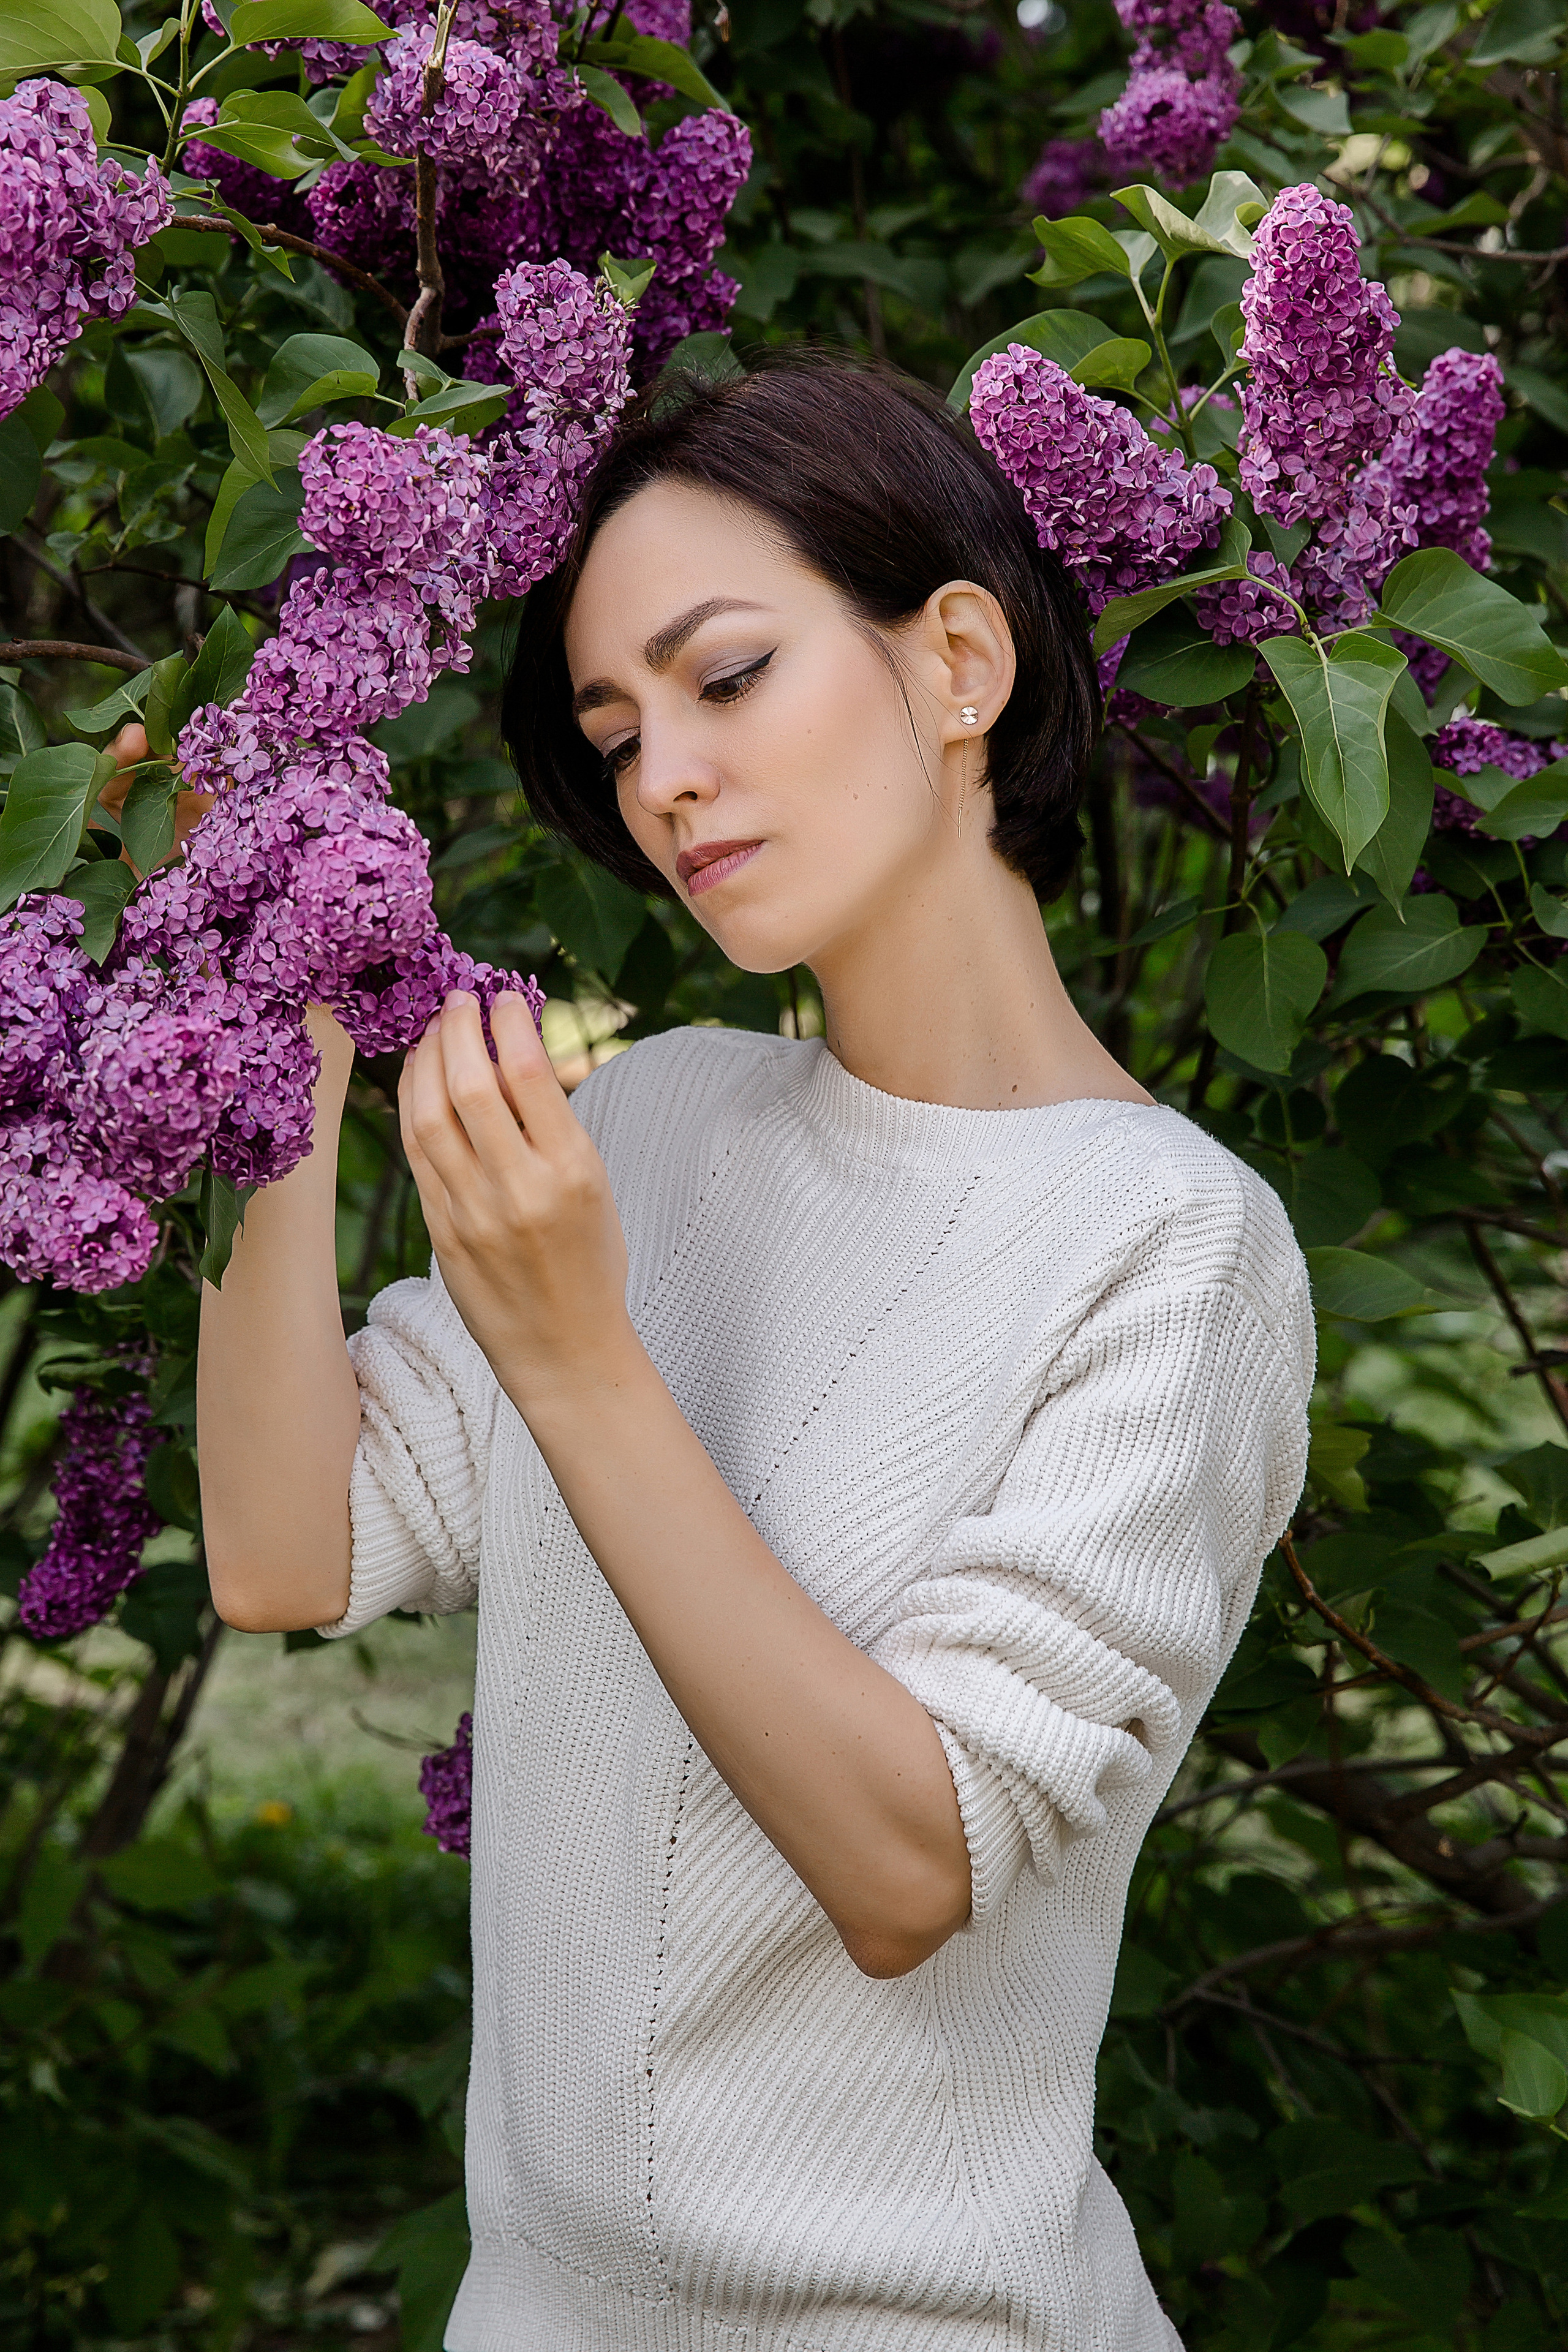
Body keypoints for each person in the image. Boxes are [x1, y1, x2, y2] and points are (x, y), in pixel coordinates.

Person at [198, 354, 1313, 2352]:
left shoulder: (1173, 1245)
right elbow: (289, 1551)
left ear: (958, 663)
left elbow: (909, 1864)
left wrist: (578, 1359)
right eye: (619, 735)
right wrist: (260, 1046)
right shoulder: (656, 1120)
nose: (665, 780)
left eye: (726, 678)